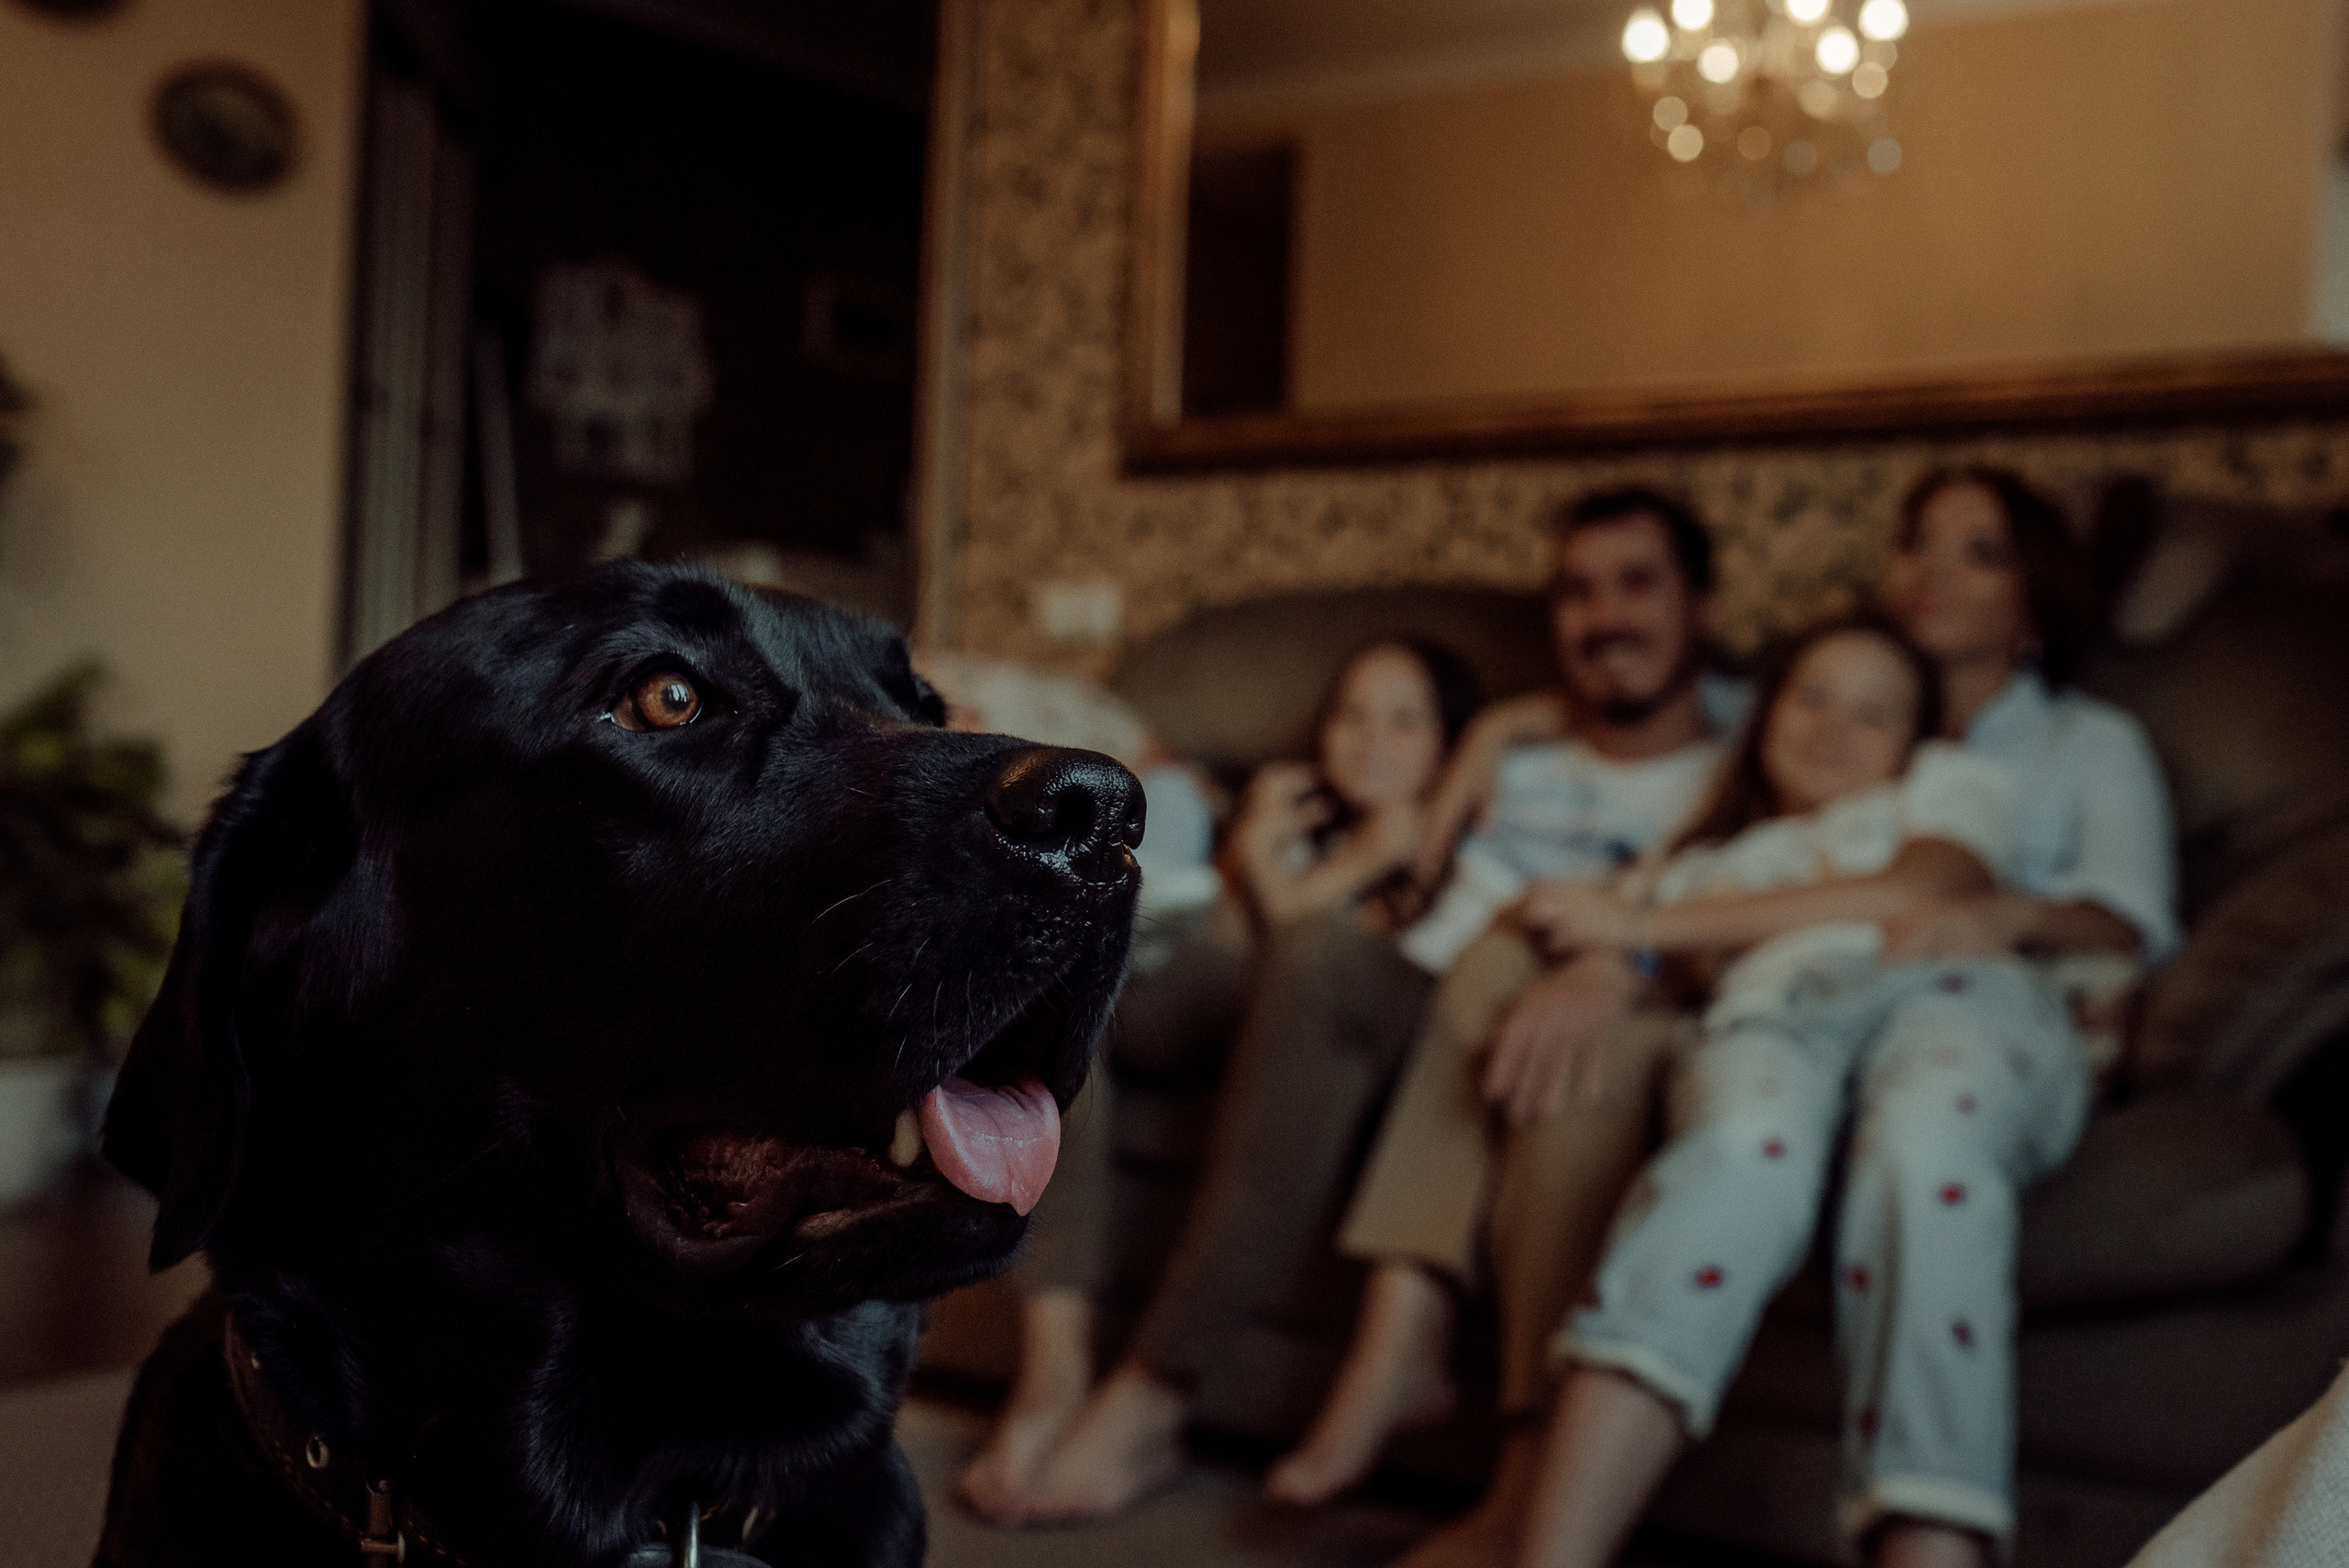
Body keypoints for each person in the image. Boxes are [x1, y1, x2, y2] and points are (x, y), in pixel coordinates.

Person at [1374, 466, 2176, 1568]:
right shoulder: (1752, 811)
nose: (1931, 572)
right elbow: (1657, 903)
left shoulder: (1989, 774)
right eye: (1917, 542)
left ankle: (1931, 1547)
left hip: (1945, 1008)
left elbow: (2034, 909)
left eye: (1976, 552)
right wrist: (1618, 946)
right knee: (1732, 1151)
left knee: (1921, 1142)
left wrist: (1995, 914)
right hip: (1777, 1022)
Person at [1265, 488, 1743, 1505]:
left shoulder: (1752, 753)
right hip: (1468, 976)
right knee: (1482, 963)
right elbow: (1412, 871)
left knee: (1555, 1012)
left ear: (1702, 605)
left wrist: (1614, 960)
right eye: (1577, 591)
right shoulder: (1513, 745)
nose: (1605, 614)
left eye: (1637, 583)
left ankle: (1471, 1406)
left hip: (1629, 986)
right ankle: (1405, 1351)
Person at [957, 634, 1481, 1522]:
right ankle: (1052, 1369)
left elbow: (1314, 974)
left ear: (1449, 745)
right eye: (1350, 711)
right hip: (1238, 987)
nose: (1368, 737)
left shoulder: (1460, 845)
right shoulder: (1283, 821)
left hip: (1373, 1025)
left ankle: (1156, 1392)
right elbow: (1224, 949)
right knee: (1066, 972)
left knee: (1312, 958)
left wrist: (1342, 871)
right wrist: (1252, 858)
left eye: (1403, 719)